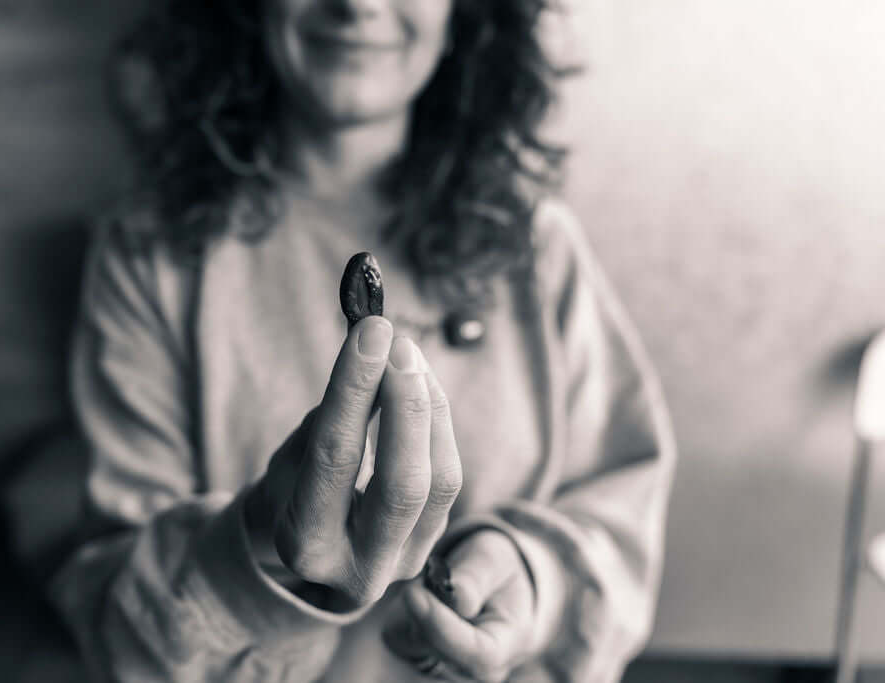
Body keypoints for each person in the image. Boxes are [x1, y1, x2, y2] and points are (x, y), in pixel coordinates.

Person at [50, 0, 676, 681]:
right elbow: (114, 623)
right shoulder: (151, 255)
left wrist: (532, 577)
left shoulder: (534, 243)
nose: (356, 5)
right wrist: (254, 546)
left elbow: (621, 521)